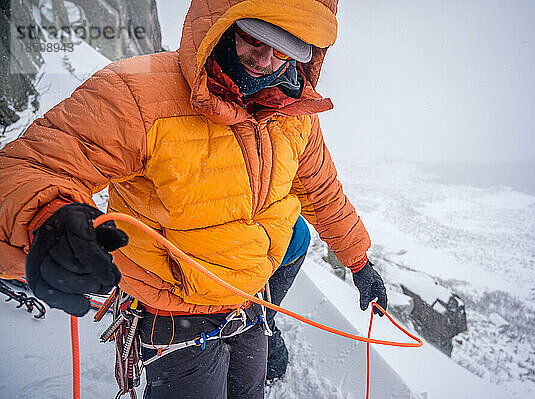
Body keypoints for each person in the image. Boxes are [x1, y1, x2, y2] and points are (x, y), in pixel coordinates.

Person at [0, 1, 388, 397]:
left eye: (284, 49)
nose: (265, 59)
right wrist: (45, 218)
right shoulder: (138, 94)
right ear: (221, 25)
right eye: (253, 37)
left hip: (247, 301)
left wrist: (359, 262)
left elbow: (322, 192)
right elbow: (33, 166)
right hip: (171, 308)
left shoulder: (294, 114)